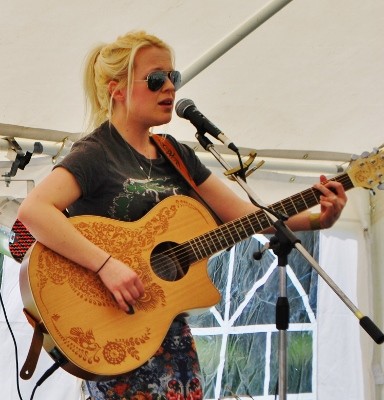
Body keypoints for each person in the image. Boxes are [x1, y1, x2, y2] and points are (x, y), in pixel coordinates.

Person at [17, 30, 347, 400]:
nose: (169, 89)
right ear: (117, 90)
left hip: (168, 331)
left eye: (174, 78)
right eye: (156, 79)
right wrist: (106, 264)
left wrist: (318, 219)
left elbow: (244, 215)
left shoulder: (176, 154)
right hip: (113, 327)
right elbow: (35, 210)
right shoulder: (97, 152)